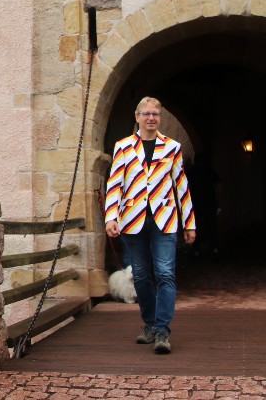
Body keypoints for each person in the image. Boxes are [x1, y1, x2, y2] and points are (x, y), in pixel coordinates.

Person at [104, 97, 196, 354]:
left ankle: (162, 330)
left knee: (166, 273)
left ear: (160, 118)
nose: (151, 118)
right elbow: (115, 184)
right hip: (133, 220)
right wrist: (111, 217)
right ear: (137, 117)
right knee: (142, 277)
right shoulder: (123, 147)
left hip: (164, 220)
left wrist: (189, 223)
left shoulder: (172, 148)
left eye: (155, 114)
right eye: (146, 113)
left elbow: (181, 186)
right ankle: (149, 324)